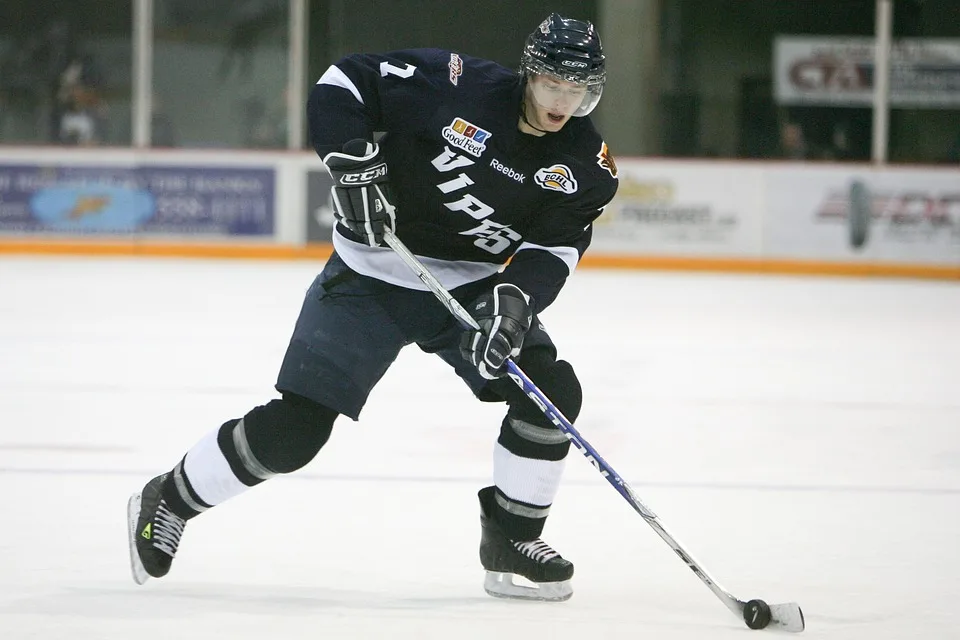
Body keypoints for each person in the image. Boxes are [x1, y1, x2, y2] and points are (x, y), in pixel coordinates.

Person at [127, 13, 619, 602]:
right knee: (296, 433)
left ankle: (512, 538)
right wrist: (353, 163)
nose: (563, 104)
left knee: (550, 396)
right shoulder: (452, 83)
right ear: (529, 74)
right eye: (553, 86)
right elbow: (344, 83)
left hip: (467, 289)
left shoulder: (587, 167)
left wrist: (513, 305)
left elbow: (555, 247)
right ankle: (169, 498)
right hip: (370, 272)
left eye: (579, 92)